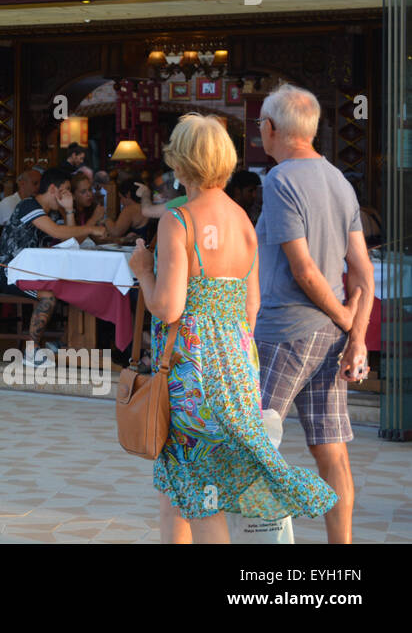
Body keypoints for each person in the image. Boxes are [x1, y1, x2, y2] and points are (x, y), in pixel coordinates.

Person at [128, 113, 340, 544]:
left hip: (191, 372)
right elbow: (252, 305)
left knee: (199, 498)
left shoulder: (178, 220)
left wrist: (141, 272)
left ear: (180, 161)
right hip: (237, 368)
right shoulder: (244, 221)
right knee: (182, 491)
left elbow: (168, 307)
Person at [254, 84, 374, 544]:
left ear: (270, 129)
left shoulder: (280, 181)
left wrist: (349, 322)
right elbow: (363, 273)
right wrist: (356, 336)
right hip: (330, 337)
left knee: (253, 444)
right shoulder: (338, 180)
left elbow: (304, 270)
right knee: (332, 453)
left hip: (286, 331)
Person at [0, 167, 107, 361]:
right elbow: (56, 232)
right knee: (48, 295)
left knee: (75, 287)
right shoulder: (28, 206)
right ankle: (31, 350)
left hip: (37, 272)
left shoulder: (53, 213)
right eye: (66, 190)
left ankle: (67, 341)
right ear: (54, 189)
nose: (69, 195)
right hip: (13, 273)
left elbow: (72, 242)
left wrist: (70, 210)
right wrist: (91, 227)